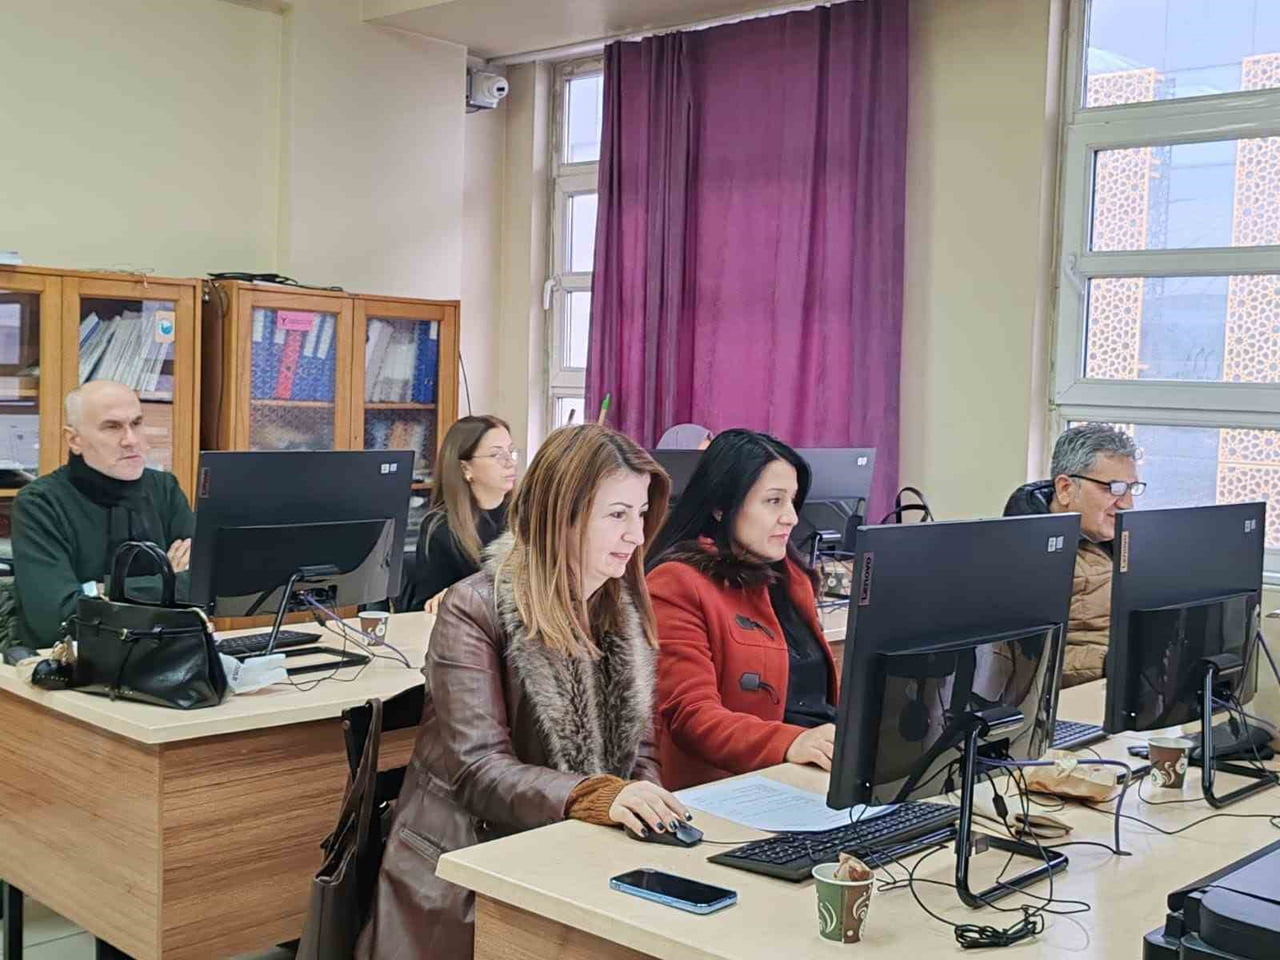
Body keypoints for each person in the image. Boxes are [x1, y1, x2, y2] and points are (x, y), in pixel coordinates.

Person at [358, 425, 689, 959]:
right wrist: (599, 797)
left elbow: (640, 750)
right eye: (617, 514)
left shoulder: (618, 607)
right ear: (563, 515)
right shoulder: (476, 606)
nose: (636, 534)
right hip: (469, 866)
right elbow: (478, 771)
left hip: (576, 849)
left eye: (641, 514)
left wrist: (644, 808)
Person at [646, 429, 839, 791]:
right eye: (773, 501)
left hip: (813, 773)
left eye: (793, 501)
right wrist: (791, 742)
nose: (792, 518)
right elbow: (692, 716)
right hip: (741, 785)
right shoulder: (676, 583)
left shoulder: (791, 577)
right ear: (722, 506)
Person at [8, 381, 194, 649]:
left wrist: (97, 592)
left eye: (137, 423)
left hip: (165, 656)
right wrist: (168, 581)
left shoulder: (165, 489)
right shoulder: (39, 503)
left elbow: (204, 590)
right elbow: (55, 620)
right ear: (74, 440)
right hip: (71, 665)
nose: (131, 440)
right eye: (112, 427)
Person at [1003, 423, 1144, 687]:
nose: (1127, 503)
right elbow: (1024, 661)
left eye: (1130, 488)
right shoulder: (1022, 557)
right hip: (1077, 700)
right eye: (1113, 488)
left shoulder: (1118, 538)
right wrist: (1118, 661)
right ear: (1066, 489)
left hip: (1124, 689)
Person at [405, 415, 517, 613]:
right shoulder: (440, 527)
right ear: (466, 468)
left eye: (511, 451)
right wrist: (447, 598)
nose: (510, 463)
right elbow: (426, 606)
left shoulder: (527, 516)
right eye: (497, 455)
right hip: (470, 633)